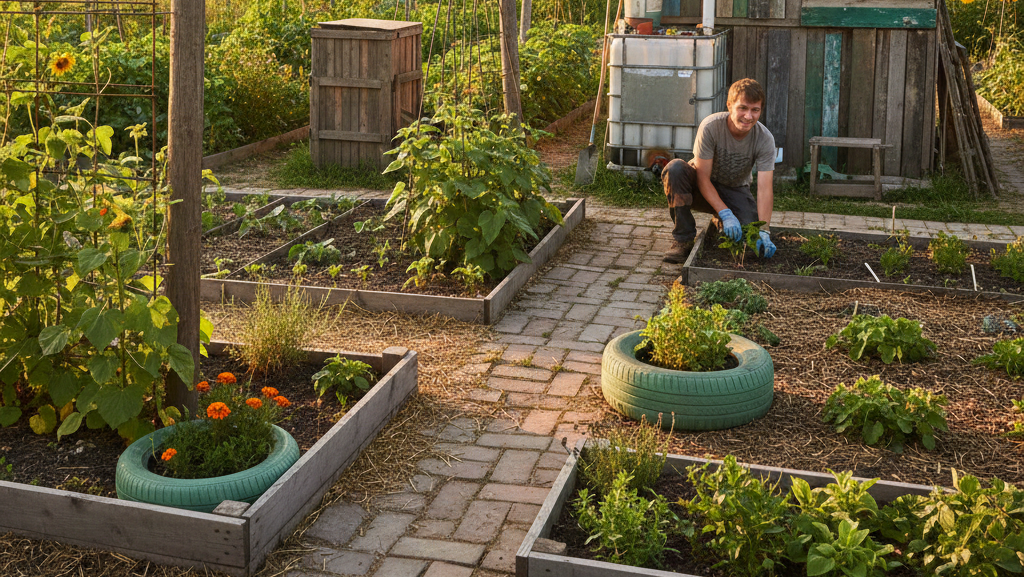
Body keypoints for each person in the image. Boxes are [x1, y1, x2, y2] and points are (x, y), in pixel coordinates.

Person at [661, 78, 777, 263]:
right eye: (743, 108)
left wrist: (764, 230)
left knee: (750, 238)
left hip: (735, 189)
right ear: (729, 105)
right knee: (675, 169)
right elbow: (702, 178)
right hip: (698, 187)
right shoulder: (711, 127)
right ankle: (683, 240)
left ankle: (719, 220)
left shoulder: (765, 139)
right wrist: (725, 212)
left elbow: (764, 189)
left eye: (755, 110)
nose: (748, 116)